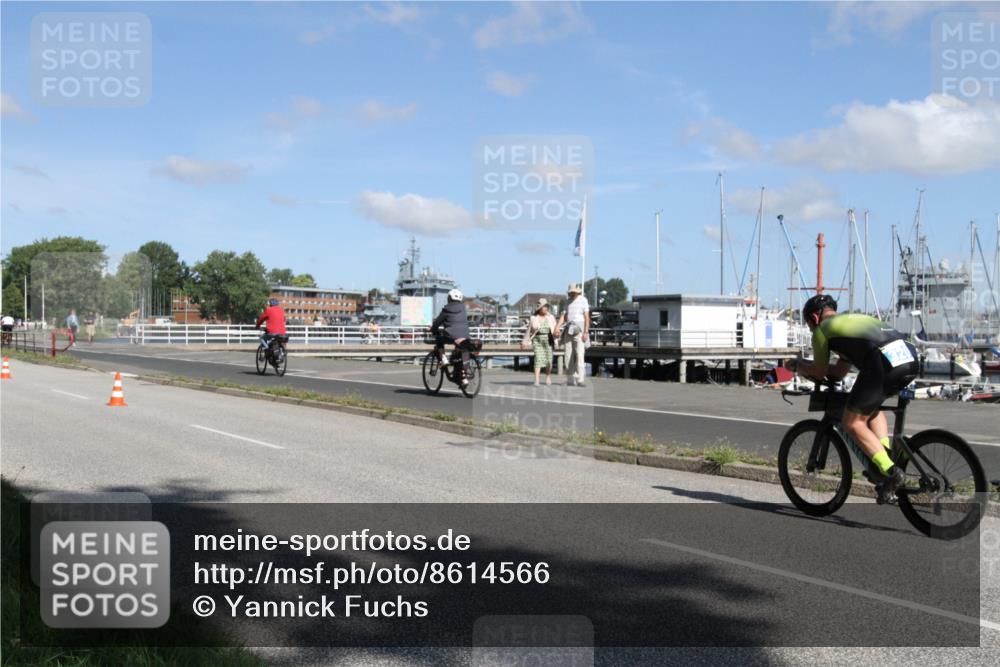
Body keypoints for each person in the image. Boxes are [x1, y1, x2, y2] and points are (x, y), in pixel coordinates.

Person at [789, 294, 918, 498]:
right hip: (908, 357)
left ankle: (892, 472)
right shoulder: (848, 323)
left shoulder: (822, 330)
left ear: (814, 318)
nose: (810, 329)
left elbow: (820, 371)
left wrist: (797, 366)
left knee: (852, 422)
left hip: (881, 362)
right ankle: (883, 458)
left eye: (808, 324)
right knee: (871, 409)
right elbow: (839, 371)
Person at [430, 289, 470, 385]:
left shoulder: (446, 309)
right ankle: (463, 377)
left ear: (449, 298)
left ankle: (443, 358)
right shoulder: (464, 308)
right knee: (459, 352)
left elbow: (437, 323)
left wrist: (432, 329)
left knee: (439, 339)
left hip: (451, 335)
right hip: (465, 335)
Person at [556, 283, 590, 387]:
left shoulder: (583, 300)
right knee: (568, 355)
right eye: (570, 292)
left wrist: (586, 332)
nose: (571, 293)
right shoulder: (567, 301)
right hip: (568, 329)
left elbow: (586, 317)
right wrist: (557, 327)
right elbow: (563, 316)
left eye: (573, 292)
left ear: (577, 292)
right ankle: (570, 380)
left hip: (579, 329)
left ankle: (580, 379)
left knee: (580, 354)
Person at [521, 298, 557, 386]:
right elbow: (528, 331)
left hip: (548, 339)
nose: (546, 308)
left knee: (549, 359)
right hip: (537, 340)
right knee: (538, 359)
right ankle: (537, 380)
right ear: (539, 308)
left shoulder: (551, 317)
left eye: (547, 307)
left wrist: (557, 336)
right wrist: (524, 342)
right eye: (544, 307)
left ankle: (548, 376)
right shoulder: (533, 318)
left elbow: (555, 329)